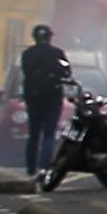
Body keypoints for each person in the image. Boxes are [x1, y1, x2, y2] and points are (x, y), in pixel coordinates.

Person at [16, 24, 72, 179]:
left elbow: (26, 72)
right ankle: (44, 166)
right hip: (52, 97)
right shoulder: (57, 53)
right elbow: (67, 72)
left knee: (33, 134)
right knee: (49, 134)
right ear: (49, 37)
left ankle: (30, 167)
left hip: (33, 98)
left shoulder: (27, 54)